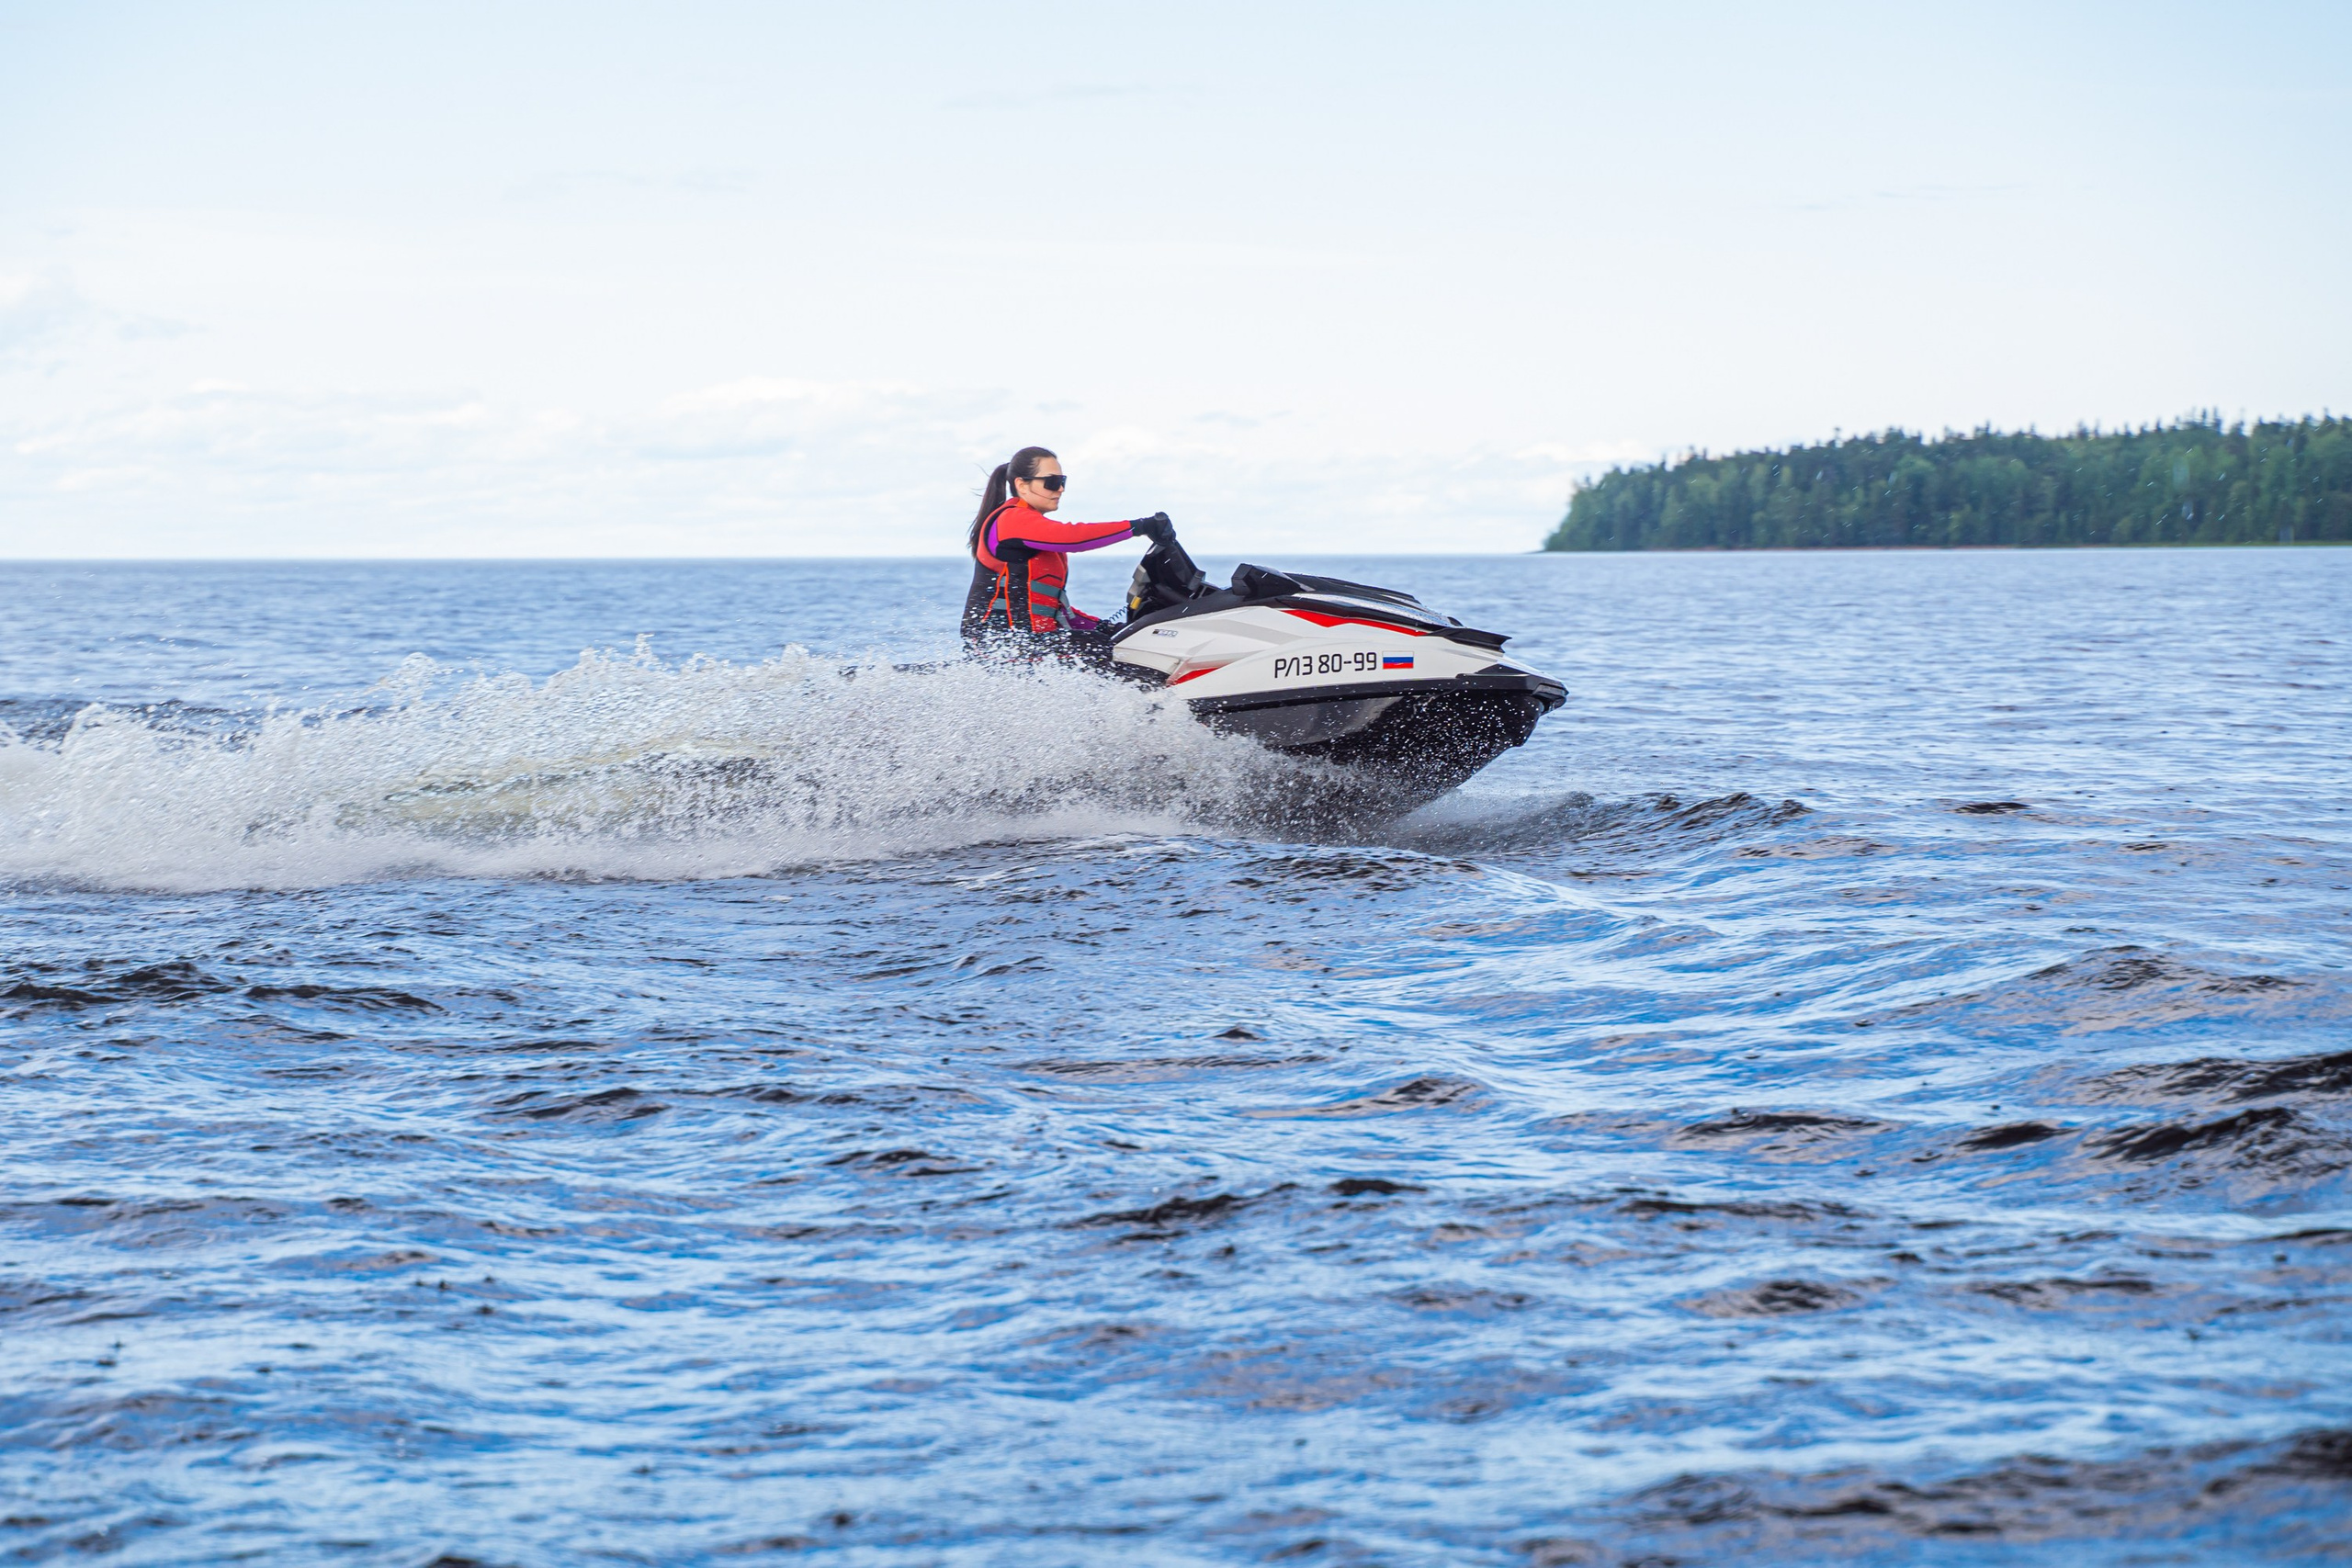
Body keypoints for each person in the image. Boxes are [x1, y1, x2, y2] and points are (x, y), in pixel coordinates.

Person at [961, 446, 1174, 657]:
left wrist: (1105, 628)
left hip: (1031, 641)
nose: (1060, 489)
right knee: (1103, 649)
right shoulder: (1011, 519)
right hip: (997, 643)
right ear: (1022, 485)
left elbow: (1057, 613)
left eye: (1062, 482)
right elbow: (1073, 538)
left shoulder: (1033, 532)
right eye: (1052, 482)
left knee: (1118, 641)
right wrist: (1139, 526)